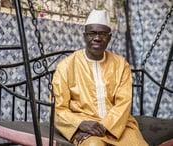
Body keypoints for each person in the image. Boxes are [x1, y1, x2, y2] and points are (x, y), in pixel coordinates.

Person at [52, 9, 148, 146]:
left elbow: (123, 103)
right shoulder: (66, 66)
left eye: (102, 34)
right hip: (85, 126)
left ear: (109, 37)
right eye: (92, 33)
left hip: (119, 125)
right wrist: (80, 124)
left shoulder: (121, 65)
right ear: (85, 36)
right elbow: (58, 108)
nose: (97, 38)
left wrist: (103, 126)